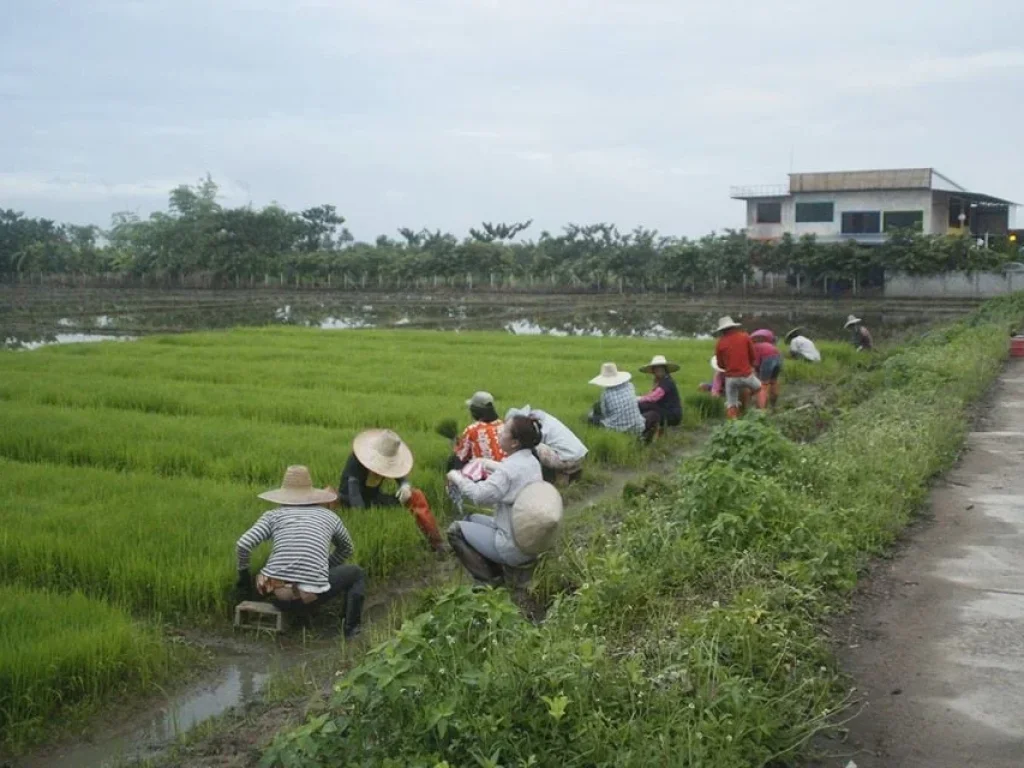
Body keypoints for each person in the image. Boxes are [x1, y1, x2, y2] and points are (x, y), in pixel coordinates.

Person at [235, 465, 365, 638]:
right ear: (311, 494)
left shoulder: (273, 515)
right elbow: (347, 548)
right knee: (357, 573)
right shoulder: (329, 516)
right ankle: (350, 629)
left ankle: (286, 606)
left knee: (268, 566)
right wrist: (325, 567)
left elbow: (243, 544)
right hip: (312, 597)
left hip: (280, 598)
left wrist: (243, 578)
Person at [445, 416, 546, 585]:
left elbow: (479, 495)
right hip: (527, 538)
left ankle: (489, 581)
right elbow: (512, 474)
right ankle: (498, 568)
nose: (499, 433)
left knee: (455, 530)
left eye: (504, 431)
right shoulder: (531, 461)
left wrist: (456, 477)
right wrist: (487, 463)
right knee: (470, 519)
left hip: (513, 546)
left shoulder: (509, 469)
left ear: (514, 443)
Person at [336, 429, 442, 552]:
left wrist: (405, 486)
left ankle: (436, 541)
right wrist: (364, 518)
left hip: (373, 498)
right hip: (350, 500)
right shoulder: (357, 460)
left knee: (415, 495)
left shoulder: (390, 461)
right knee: (370, 521)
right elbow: (354, 494)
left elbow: (400, 475)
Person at [506, 404, 588, 482]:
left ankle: (541, 477)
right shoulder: (543, 418)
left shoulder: (535, 426)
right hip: (578, 454)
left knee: (531, 447)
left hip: (568, 458)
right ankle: (567, 473)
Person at [712, 316, 761, 420]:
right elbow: (753, 356)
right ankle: (762, 412)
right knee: (760, 388)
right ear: (733, 327)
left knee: (731, 403)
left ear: (722, 330)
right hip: (746, 375)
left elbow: (720, 365)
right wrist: (750, 365)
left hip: (730, 378)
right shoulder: (745, 337)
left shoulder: (720, 343)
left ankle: (733, 424)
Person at [449, 391, 506, 472]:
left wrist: (456, 447)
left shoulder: (472, 430)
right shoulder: (505, 425)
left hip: (484, 476)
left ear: (474, 411)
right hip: (507, 472)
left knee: (454, 461)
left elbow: (461, 457)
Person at [586, 362, 646, 436]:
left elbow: (605, 413)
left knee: (591, 419)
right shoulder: (630, 386)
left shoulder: (606, 394)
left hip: (618, 430)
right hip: (638, 427)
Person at [637, 354, 683, 439]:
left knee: (643, 405)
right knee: (644, 405)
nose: (658, 371)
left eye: (660, 368)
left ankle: (640, 427)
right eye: (656, 369)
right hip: (664, 410)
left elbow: (654, 397)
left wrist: (639, 399)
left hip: (672, 415)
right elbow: (651, 395)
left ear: (665, 369)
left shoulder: (667, 382)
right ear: (653, 370)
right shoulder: (660, 381)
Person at [750, 329, 783, 410]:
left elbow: (756, 364)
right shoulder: (768, 344)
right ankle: (773, 406)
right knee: (773, 382)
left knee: (763, 385)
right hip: (778, 357)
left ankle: (761, 410)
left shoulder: (754, 347)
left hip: (768, 359)